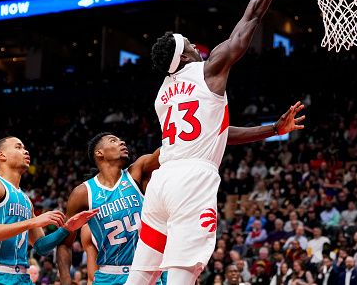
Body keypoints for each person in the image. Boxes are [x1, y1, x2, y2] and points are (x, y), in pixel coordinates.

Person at [126, 0, 304, 285]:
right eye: (191, 43)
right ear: (187, 53)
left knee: (141, 276)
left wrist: (273, 129)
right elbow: (249, 21)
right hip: (192, 179)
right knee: (182, 274)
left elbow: (220, 134)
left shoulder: (162, 94)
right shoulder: (208, 69)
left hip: (161, 182)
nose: (197, 45)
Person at [57, 104, 304, 285]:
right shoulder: (83, 192)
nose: (122, 142)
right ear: (99, 154)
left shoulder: (139, 170)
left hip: (149, 272)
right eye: (113, 140)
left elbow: (202, 139)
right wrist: (66, 281)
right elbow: (65, 244)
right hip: (108, 276)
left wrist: (272, 129)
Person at [0, 136, 96, 285]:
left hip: (23, 277)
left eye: (24, 148)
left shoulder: (26, 200)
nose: (25, 151)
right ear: (1, 155)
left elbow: (41, 247)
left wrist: (67, 228)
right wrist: (32, 222)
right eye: (18, 147)